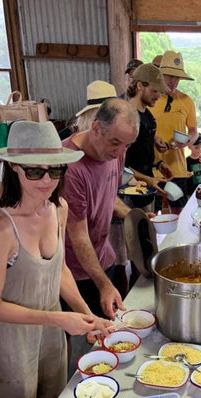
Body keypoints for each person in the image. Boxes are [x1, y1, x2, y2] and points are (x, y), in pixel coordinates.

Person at [0, 121, 113, 398]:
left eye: (55, 170)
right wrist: (57, 318)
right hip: (7, 339)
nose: (47, 181)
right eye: (35, 171)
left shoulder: (57, 208)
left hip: (51, 331)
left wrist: (88, 315)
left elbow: (59, 270)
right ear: (13, 168)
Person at [61, 98, 139, 320]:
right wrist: (103, 285)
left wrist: (136, 217)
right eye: (115, 142)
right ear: (95, 128)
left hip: (104, 257)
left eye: (127, 145)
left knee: (110, 329)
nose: (120, 152)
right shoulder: (70, 166)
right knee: (88, 340)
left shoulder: (116, 151)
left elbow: (108, 196)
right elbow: (78, 236)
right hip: (75, 272)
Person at [150, 50, 198, 213]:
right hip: (152, 169)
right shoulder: (150, 99)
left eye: (177, 77)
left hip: (177, 167)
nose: (173, 81)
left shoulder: (186, 101)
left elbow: (193, 130)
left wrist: (188, 140)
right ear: (160, 75)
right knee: (152, 215)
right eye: (169, 76)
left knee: (179, 213)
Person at [124, 62, 173, 209]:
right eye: (155, 91)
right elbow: (121, 165)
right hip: (131, 188)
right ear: (140, 86)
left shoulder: (147, 114)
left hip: (147, 183)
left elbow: (141, 150)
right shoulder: (127, 117)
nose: (158, 96)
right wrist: (148, 179)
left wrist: (158, 163)